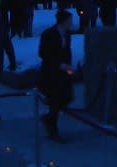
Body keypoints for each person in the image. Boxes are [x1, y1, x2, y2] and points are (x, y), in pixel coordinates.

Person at [38, 9, 74, 142]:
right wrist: (58, 64)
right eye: (70, 20)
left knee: (65, 98)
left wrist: (68, 66)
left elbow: (67, 52)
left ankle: (49, 119)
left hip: (64, 72)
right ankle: (53, 129)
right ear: (63, 21)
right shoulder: (48, 34)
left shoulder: (67, 34)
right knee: (55, 100)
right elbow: (43, 53)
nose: (71, 23)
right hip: (51, 73)